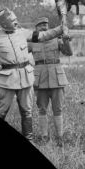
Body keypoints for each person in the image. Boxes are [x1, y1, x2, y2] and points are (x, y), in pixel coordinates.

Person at [0, 8, 67, 140]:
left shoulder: (23, 33)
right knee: (2, 110)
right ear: (5, 23)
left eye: (16, 19)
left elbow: (43, 36)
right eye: (13, 21)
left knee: (27, 111)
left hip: (26, 78)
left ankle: (29, 139)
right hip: (6, 80)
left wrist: (60, 29)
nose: (16, 22)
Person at [29, 16, 73, 146]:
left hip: (56, 78)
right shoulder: (32, 41)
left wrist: (66, 41)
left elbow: (69, 53)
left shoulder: (57, 39)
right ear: (36, 28)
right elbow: (19, 53)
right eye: (40, 25)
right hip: (39, 79)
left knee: (57, 109)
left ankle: (60, 137)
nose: (44, 27)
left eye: (45, 25)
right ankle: (44, 137)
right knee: (41, 108)